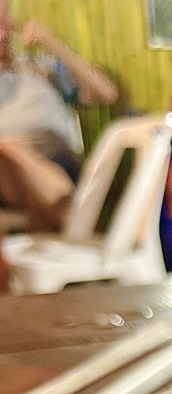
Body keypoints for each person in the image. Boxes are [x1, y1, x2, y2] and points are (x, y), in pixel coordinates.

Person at [0, 1, 117, 230]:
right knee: (7, 151)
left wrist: (51, 43)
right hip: (5, 170)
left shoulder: (39, 67)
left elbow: (106, 93)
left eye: (6, 15)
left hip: (51, 156)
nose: (5, 25)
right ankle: (68, 219)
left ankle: (65, 217)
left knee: (12, 150)